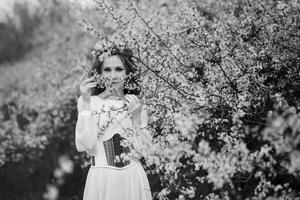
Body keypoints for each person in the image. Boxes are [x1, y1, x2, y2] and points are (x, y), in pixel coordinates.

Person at [75, 47, 153, 200]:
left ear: (127, 72)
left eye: (119, 69)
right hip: (102, 178)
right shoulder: (90, 102)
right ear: (100, 73)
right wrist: (85, 101)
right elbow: (86, 144)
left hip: (133, 178)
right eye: (107, 70)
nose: (113, 76)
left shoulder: (136, 103)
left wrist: (136, 118)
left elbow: (145, 152)